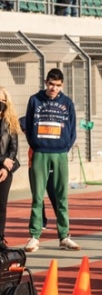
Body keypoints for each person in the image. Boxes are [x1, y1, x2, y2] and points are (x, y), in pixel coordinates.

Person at [23, 68, 80, 252]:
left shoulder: (67, 103)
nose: (54, 88)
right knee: (37, 197)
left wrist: (64, 147)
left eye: (57, 85)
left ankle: (64, 236)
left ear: (62, 85)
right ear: (46, 82)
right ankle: (34, 236)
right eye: (51, 84)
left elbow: (72, 130)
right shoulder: (35, 100)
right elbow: (29, 125)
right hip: (40, 152)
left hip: (60, 153)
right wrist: (36, 145)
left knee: (62, 196)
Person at [0, 87, 21, 249]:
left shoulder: (10, 122)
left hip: (5, 170)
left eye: (3, 100)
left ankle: (0, 238)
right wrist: (2, 160)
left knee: (1, 205)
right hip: (2, 163)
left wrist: (6, 167)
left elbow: (13, 148)